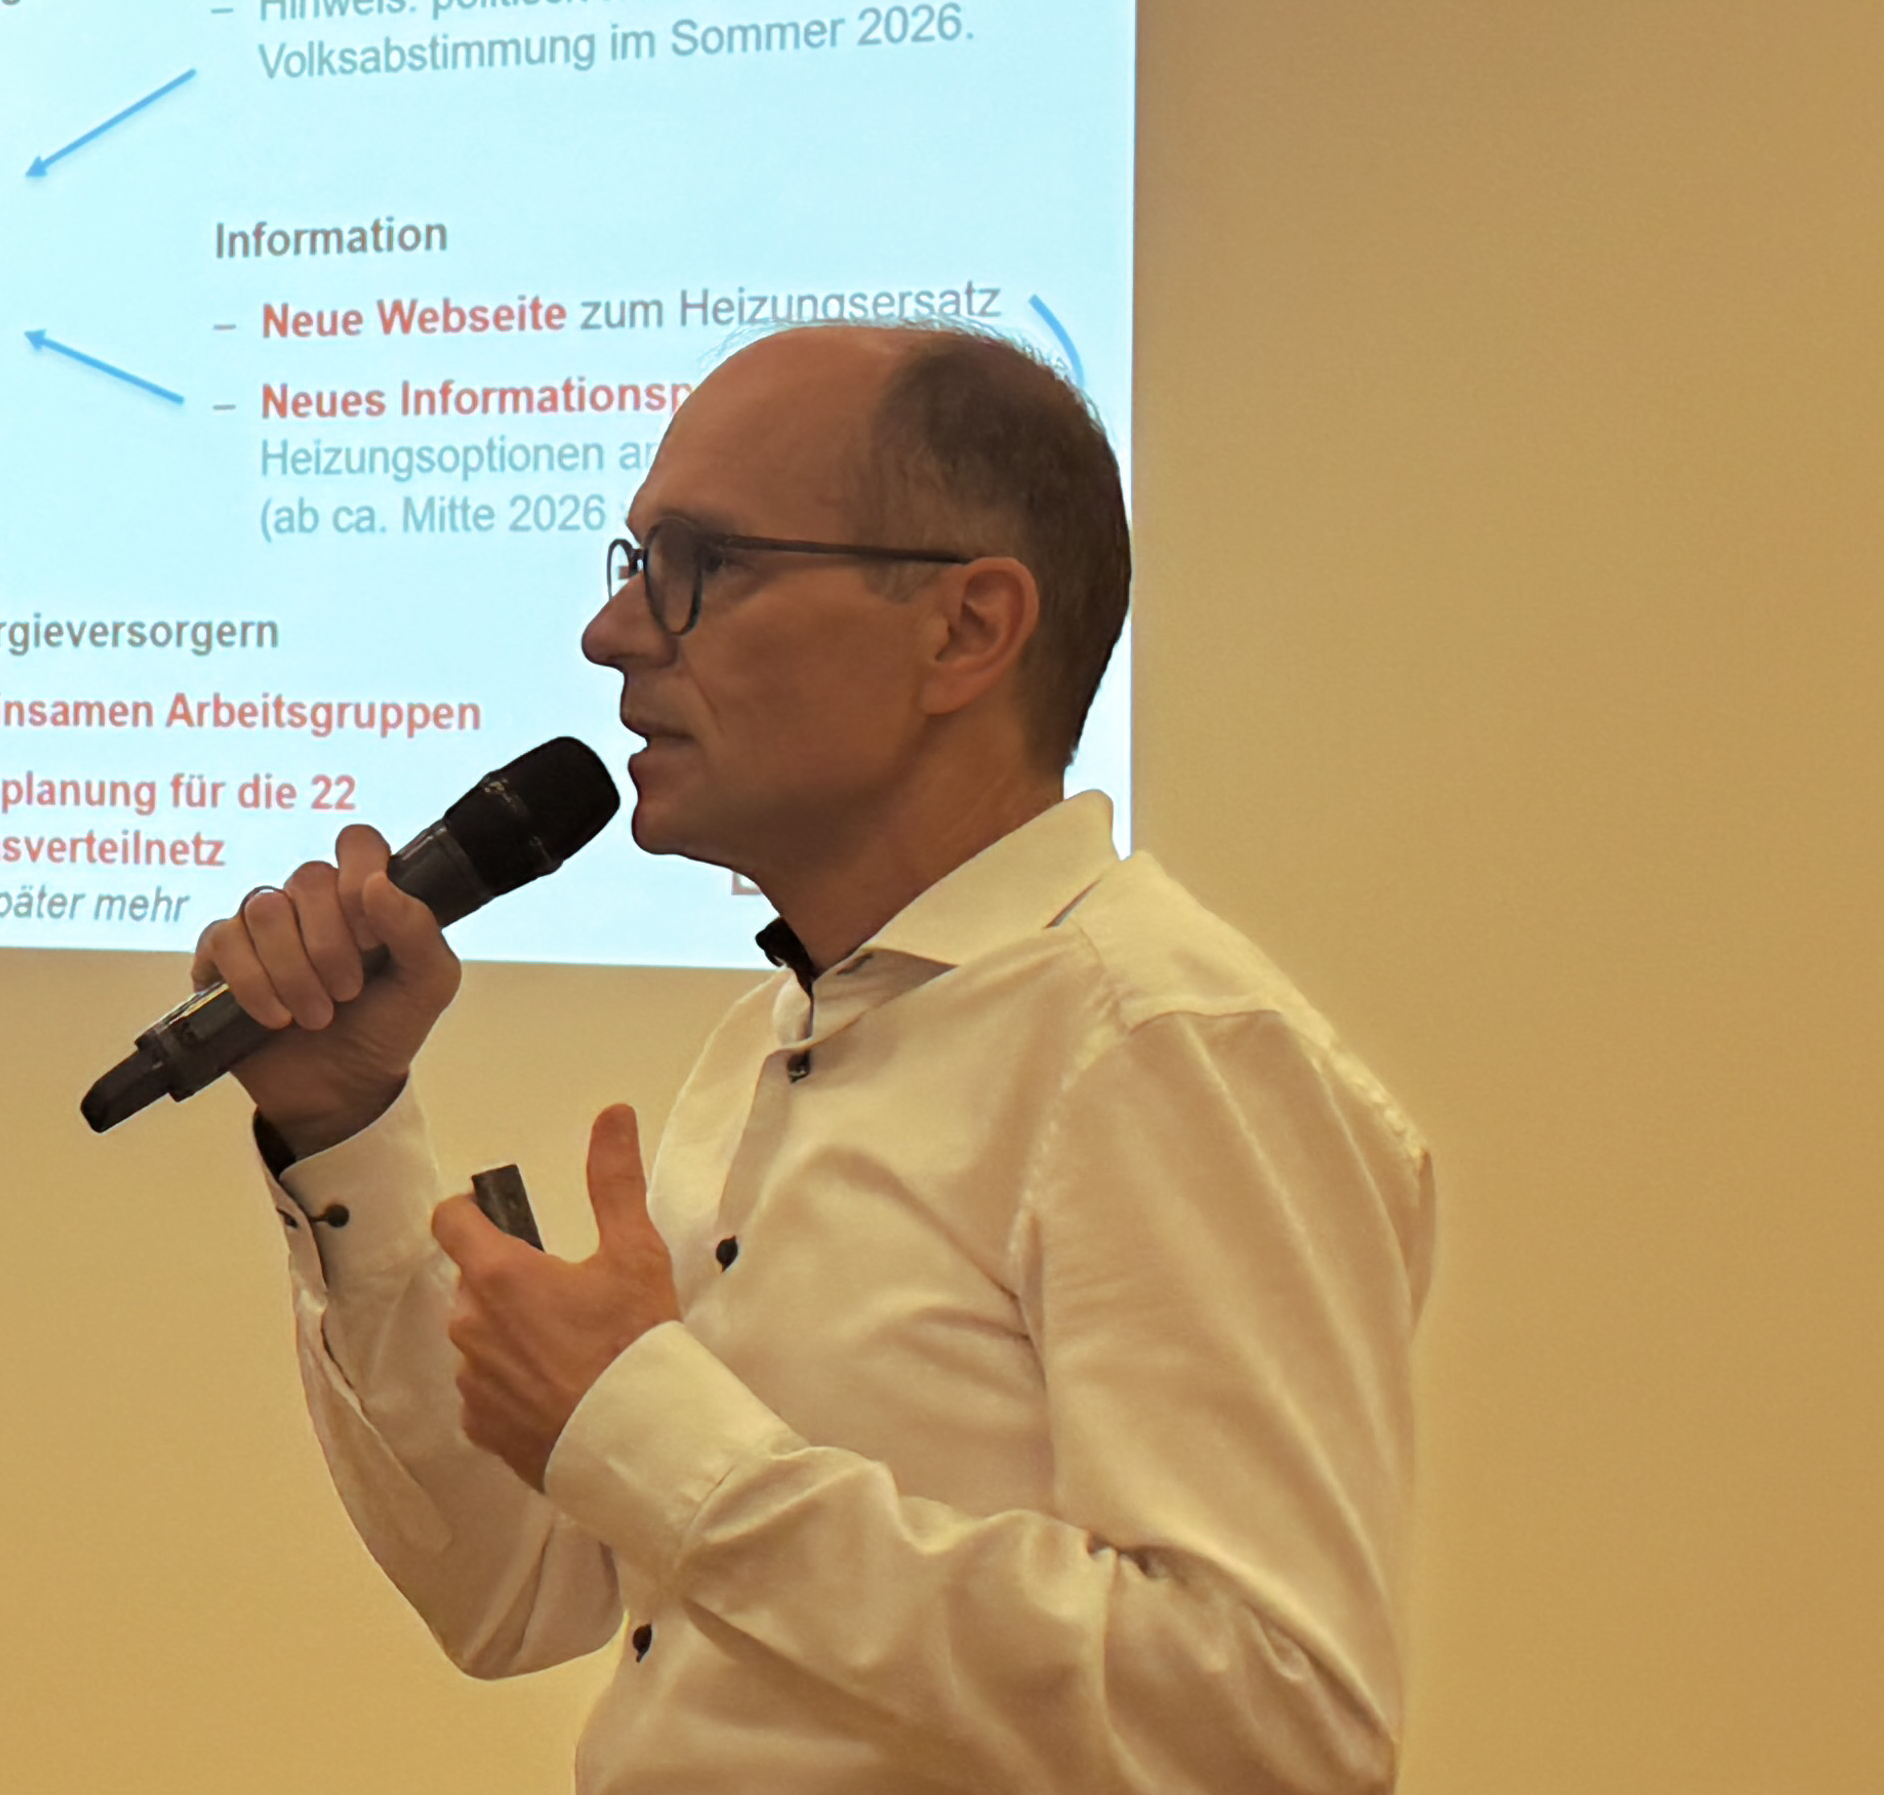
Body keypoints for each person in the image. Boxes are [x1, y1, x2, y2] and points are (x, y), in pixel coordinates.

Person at [199, 325, 1433, 1795]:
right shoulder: (776, 1040)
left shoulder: (1157, 1052)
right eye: (634, 560)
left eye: (703, 565)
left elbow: (1277, 1732)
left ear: (965, 631)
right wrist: (345, 1127)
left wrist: (651, 1430)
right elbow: (517, 1594)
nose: (613, 633)